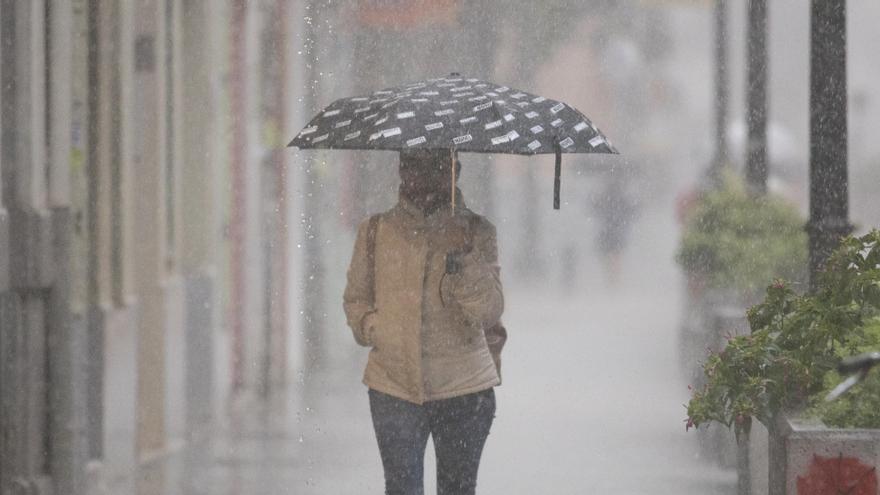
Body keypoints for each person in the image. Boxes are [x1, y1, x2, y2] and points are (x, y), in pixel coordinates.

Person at [343, 149, 505, 495]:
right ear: (401, 170)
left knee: (458, 489)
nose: (421, 177)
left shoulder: (477, 232)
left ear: (454, 171)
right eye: (412, 165)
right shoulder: (375, 231)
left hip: (465, 389)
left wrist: (464, 256)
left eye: (435, 166)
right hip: (393, 387)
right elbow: (356, 301)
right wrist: (378, 329)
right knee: (401, 488)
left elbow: (489, 310)